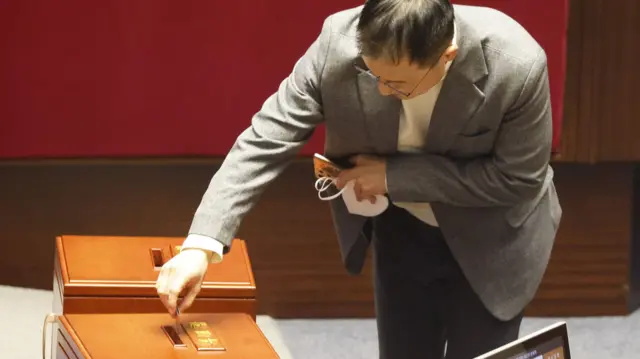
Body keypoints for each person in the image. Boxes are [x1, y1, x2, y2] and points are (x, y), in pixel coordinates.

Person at [155, 0, 562, 358]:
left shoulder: (517, 66)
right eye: (373, 76)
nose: (382, 91)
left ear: (447, 56)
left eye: (397, 84)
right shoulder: (339, 43)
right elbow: (266, 138)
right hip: (401, 229)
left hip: (491, 239)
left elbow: (516, 179)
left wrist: (393, 176)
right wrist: (202, 245)